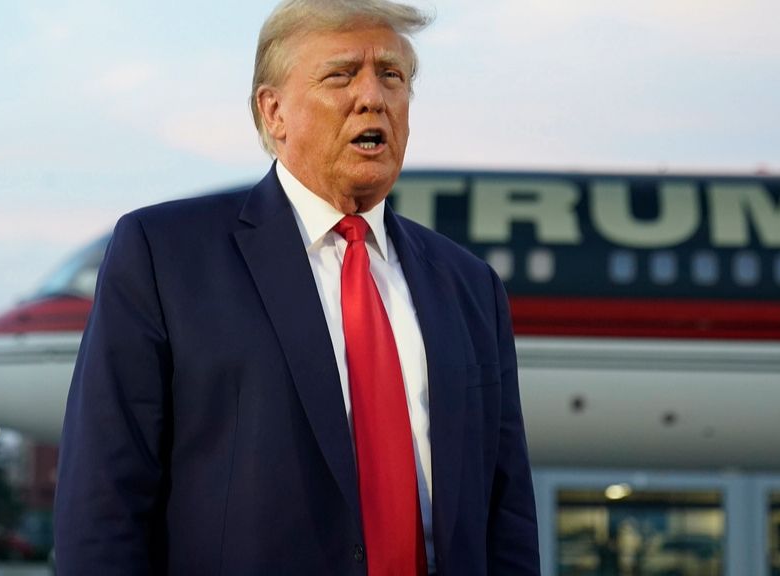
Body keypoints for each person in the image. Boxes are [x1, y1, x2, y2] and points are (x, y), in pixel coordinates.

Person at [53, 0, 540, 574]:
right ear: (273, 111)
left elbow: (506, 516)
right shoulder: (165, 254)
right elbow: (105, 498)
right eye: (341, 75)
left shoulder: (470, 287)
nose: (373, 97)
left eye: (392, 75)